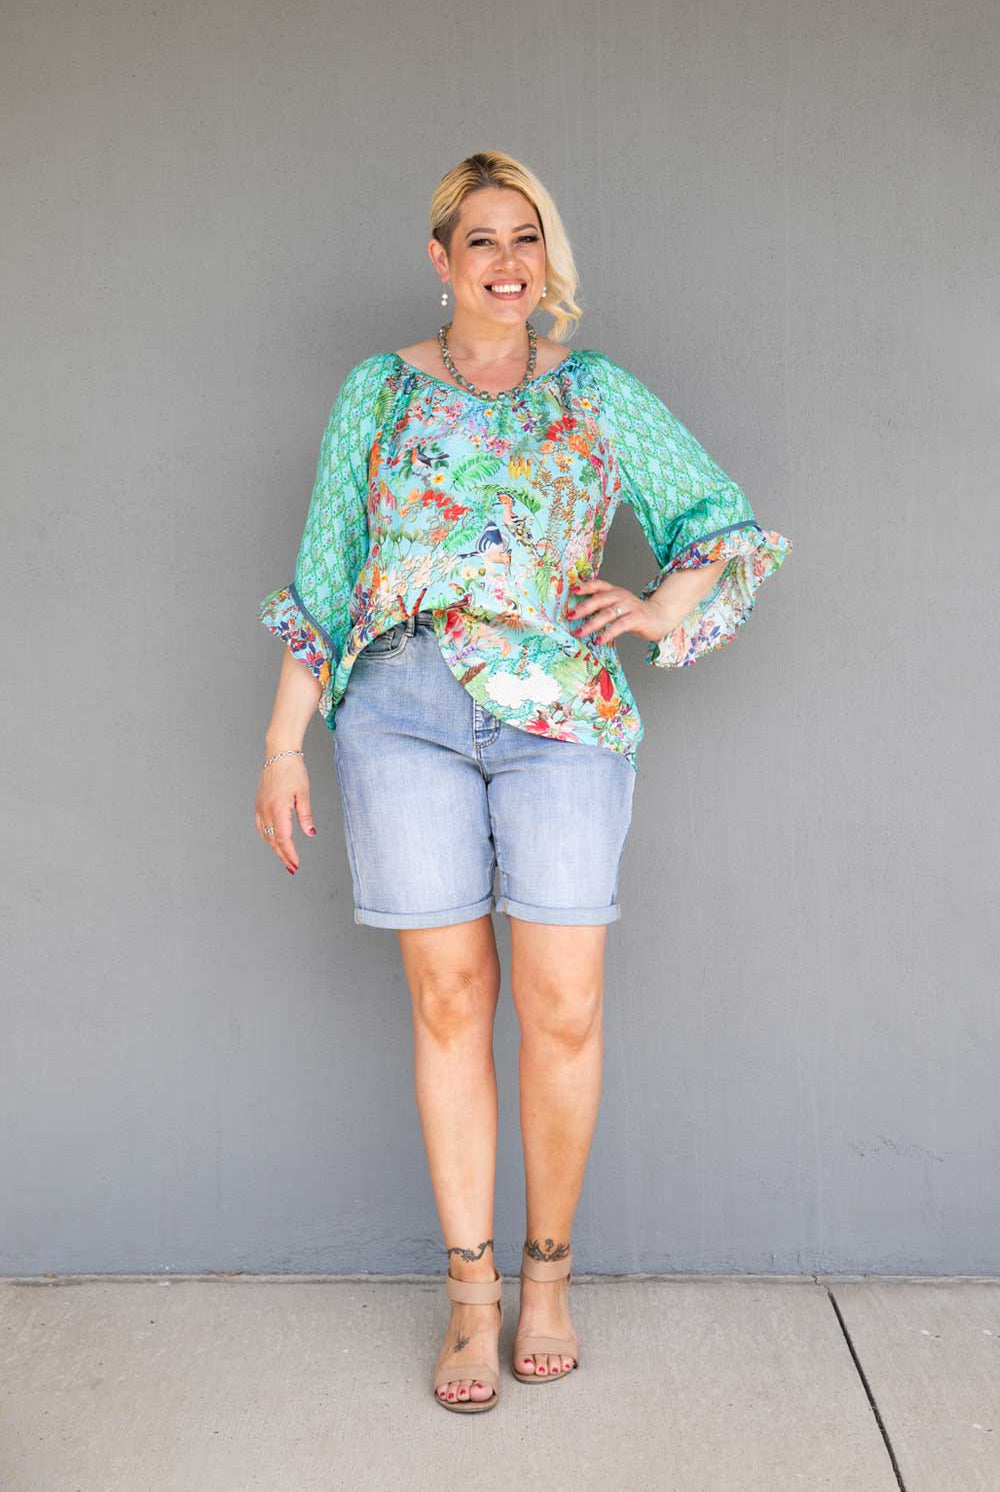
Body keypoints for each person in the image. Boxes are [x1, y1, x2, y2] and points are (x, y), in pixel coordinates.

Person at [254, 150, 792, 1413]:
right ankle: (471, 1295)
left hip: (561, 714)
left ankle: (547, 1277)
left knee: (560, 1004)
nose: (508, 262)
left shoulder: (594, 391)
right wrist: (283, 743)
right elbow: (327, 575)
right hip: (400, 711)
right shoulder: (378, 391)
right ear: (441, 261)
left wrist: (660, 607)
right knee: (449, 1000)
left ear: (547, 260)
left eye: (527, 238)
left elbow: (718, 524)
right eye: (483, 241)